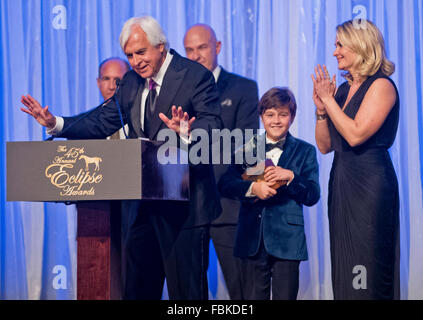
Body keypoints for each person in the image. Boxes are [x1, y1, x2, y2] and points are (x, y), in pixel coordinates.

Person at [21, 16, 223, 300]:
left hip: (186, 206)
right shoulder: (130, 81)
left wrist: (188, 131)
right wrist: (57, 123)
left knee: (187, 295)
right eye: (130, 55)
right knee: (137, 290)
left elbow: (214, 126)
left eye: (141, 52)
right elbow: (102, 120)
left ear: (161, 46)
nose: (135, 61)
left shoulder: (194, 76)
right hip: (144, 207)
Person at [312, 19, 400, 299]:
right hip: (342, 183)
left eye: (340, 44)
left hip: (370, 187)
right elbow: (325, 146)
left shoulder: (381, 86)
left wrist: (328, 101)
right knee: (345, 266)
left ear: (360, 45)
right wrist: (322, 110)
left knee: (368, 268)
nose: (334, 51)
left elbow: (356, 135)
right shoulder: (340, 91)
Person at [218, 87, 320, 300]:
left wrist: (291, 176)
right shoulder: (247, 150)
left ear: (292, 117)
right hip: (252, 239)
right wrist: (253, 188)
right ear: (261, 116)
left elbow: (312, 195)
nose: (276, 120)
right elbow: (225, 184)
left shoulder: (305, 151)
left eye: (283, 114)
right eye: (270, 114)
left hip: (288, 242)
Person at [183, 23, 259, 299]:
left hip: (229, 205)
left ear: (217, 47)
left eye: (201, 48)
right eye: (189, 50)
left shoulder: (243, 88)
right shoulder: (179, 93)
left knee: (242, 288)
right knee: (191, 291)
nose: (195, 55)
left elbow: (247, 144)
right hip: (188, 207)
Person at [96, 57, 130, 139]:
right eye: (106, 79)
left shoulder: (142, 120)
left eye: (117, 80)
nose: (111, 86)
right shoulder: (85, 124)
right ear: (98, 83)